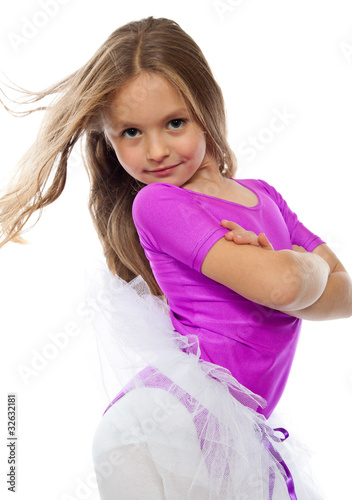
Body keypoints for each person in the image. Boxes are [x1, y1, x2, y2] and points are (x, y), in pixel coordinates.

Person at [1, 16, 351, 500]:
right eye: (130, 133)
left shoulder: (264, 196)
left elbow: (344, 294)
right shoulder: (161, 204)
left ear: (207, 108)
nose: (157, 150)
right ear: (108, 137)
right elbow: (286, 289)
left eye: (174, 123)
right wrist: (303, 265)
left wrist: (292, 269)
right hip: (162, 426)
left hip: (222, 433)